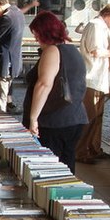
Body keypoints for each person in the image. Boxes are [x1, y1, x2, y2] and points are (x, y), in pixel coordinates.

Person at [22, 11, 88, 174]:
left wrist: (33, 119)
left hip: (54, 121)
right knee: (66, 166)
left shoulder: (52, 51)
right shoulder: (72, 50)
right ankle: (65, 197)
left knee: (49, 168)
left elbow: (44, 84)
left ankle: (51, 198)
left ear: (44, 32)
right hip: (73, 117)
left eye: (36, 34)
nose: (35, 38)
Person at [75, 3, 110, 164]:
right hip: (92, 78)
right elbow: (95, 50)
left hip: (100, 79)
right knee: (89, 116)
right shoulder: (96, 26)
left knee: (97, 117)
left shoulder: (105, 28)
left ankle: (93, 148)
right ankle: (81, 151)